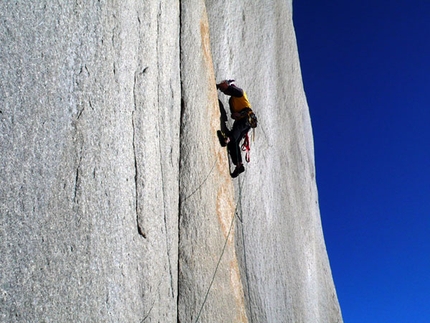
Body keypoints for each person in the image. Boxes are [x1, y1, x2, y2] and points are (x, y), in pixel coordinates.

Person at [216, 80, 257, 178]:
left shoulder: (239, 92)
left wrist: (218, 85)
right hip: (247, 121)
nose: (224, 91)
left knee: (235, 133)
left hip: (246, 117)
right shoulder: (232, 100)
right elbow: (233, 115)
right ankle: (239, 165)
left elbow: (228, 88)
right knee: (234, 143)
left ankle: (227, 139)